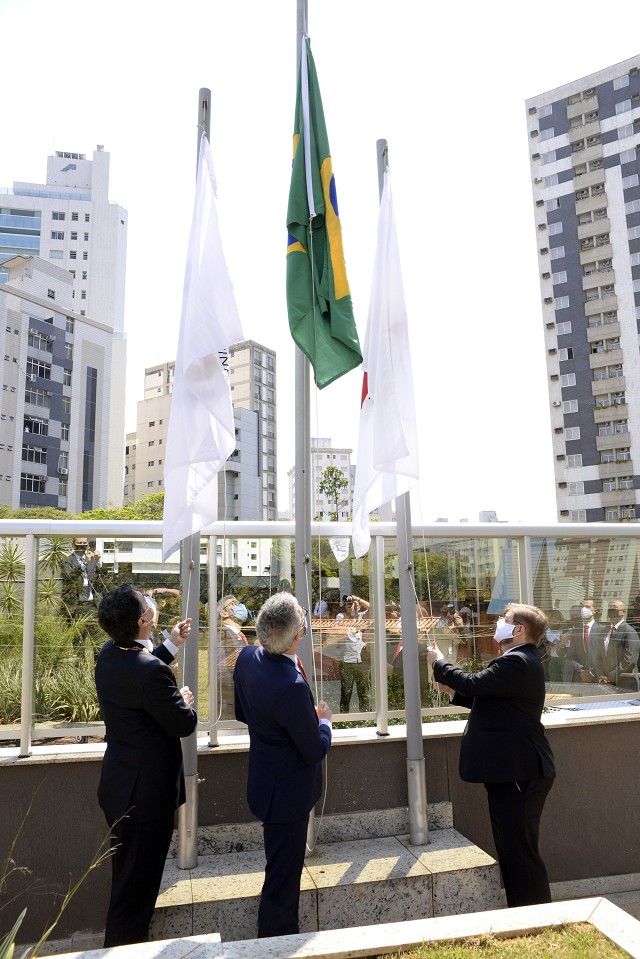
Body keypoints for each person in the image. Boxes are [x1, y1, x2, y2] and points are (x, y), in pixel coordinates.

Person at [427, 603, 555, 908]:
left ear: (520, 630)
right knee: (513, 849)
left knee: (520, 853)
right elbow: (493, 700)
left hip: (519, 771)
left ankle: (535, 919)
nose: (498, 623)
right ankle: (522, 914)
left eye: (505, 620)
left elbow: (475, 683)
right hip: (513, 771)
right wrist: (452, 691)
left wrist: (440, 663)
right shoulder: (519, 661)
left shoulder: (517, 661)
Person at [95, 585, 197, 948]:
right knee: (135, 896)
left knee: (127, 882)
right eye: (147, 604)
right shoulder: (151, 672)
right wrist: (183, 701)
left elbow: (138, 677)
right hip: (146, 799)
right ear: (142, 621)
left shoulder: (108, 654)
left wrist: (170, 645)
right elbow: (183, 723)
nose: (152, 605)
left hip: (121, 789)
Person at [233, 592, 332, 938]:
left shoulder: (247, 658)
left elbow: (241, 712)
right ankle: (276, 941)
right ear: (297, 635)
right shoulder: (289, 686)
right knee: (283, 877)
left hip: (265, 782)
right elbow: (314, 750)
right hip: (287, 795)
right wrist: (323, 722)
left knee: (281, 869)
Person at [335, 594, 371, 712]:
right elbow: (340, 625)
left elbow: (372, 608)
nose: (350, 606)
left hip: (362, 660)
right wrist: (351, 612)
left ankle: (366, 718)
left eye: (352, 604)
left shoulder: (362, 616)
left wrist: (358, 599)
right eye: (348, 604)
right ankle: (344, 719)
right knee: (346, 692)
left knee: (364, 691)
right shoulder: (341, 617)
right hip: (347, 660)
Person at [594, 599, 640, 689]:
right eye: (609, 607)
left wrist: (611, 677)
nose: (611, 609)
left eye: (614, 607)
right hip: (605, 683)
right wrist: (601, 675)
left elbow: (629, 660)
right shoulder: (604, 631)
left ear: (623, 612)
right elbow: (599, 657)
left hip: (625, 684)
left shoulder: (629, 631)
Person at [560, 600, 602, 683]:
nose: (584, 609)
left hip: (597, 677)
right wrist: (581, 671)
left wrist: (591, 673)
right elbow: (570, 656)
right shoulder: (575, 631)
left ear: (594, 610)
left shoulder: (602, 630)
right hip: (578, 677)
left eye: (587, 607)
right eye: (582, 607)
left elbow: (605, 657)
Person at [61, 536, 103, 619]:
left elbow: (102, 576)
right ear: (73, 545)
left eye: (84, 543)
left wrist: (97, 561)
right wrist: (85, 563)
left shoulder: (92, 559)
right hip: (76, 605)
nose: (82, 545)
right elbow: (70, 577)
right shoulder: (66, 560)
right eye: (79, 543)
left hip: (93, 604)